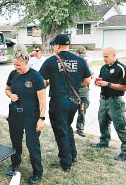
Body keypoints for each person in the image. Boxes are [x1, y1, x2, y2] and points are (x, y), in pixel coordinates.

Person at [39, 34, 91, 174]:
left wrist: (51, 82)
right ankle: (73, 154)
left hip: (58, 100)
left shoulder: (51, 61)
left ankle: (66, 161)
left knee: (61, 131)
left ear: (57, 45)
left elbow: (41, 81)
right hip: (74, 100)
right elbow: (87, 81)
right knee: (67, 127)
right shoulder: (80, 60)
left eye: (54, 45)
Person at [5, 49, 46, 185]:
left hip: (31, 115)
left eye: (18, 65)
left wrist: (41, 118)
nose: (16, 68)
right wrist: (10, 95)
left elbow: (42, 100)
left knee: (32, 144)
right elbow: (7, 89)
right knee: (15, 141)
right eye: (14, 65)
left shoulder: (35, 76)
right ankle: (15, 163)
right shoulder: (13, 74)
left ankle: (37, 172)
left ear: (26, 61)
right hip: (15, 113)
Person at [92, 47, 126, 161]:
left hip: (115, 101)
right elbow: (102, 80)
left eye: (106, 56)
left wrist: (107, 84)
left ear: (114, 55)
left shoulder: (121, 68)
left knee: (120, 125)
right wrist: (99, 83)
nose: (104, 59)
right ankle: (104, 141)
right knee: (102, 122)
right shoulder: (104, 68)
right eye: (103, 56)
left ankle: (125, 151)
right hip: (103, 100)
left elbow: (124, 87)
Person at [75, 47, 94, 137]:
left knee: (82, 109)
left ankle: (80, 128)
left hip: (83, 89)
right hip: (74, 89)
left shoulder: (87, 61)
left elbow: (92, 74)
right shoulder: (74, 61)